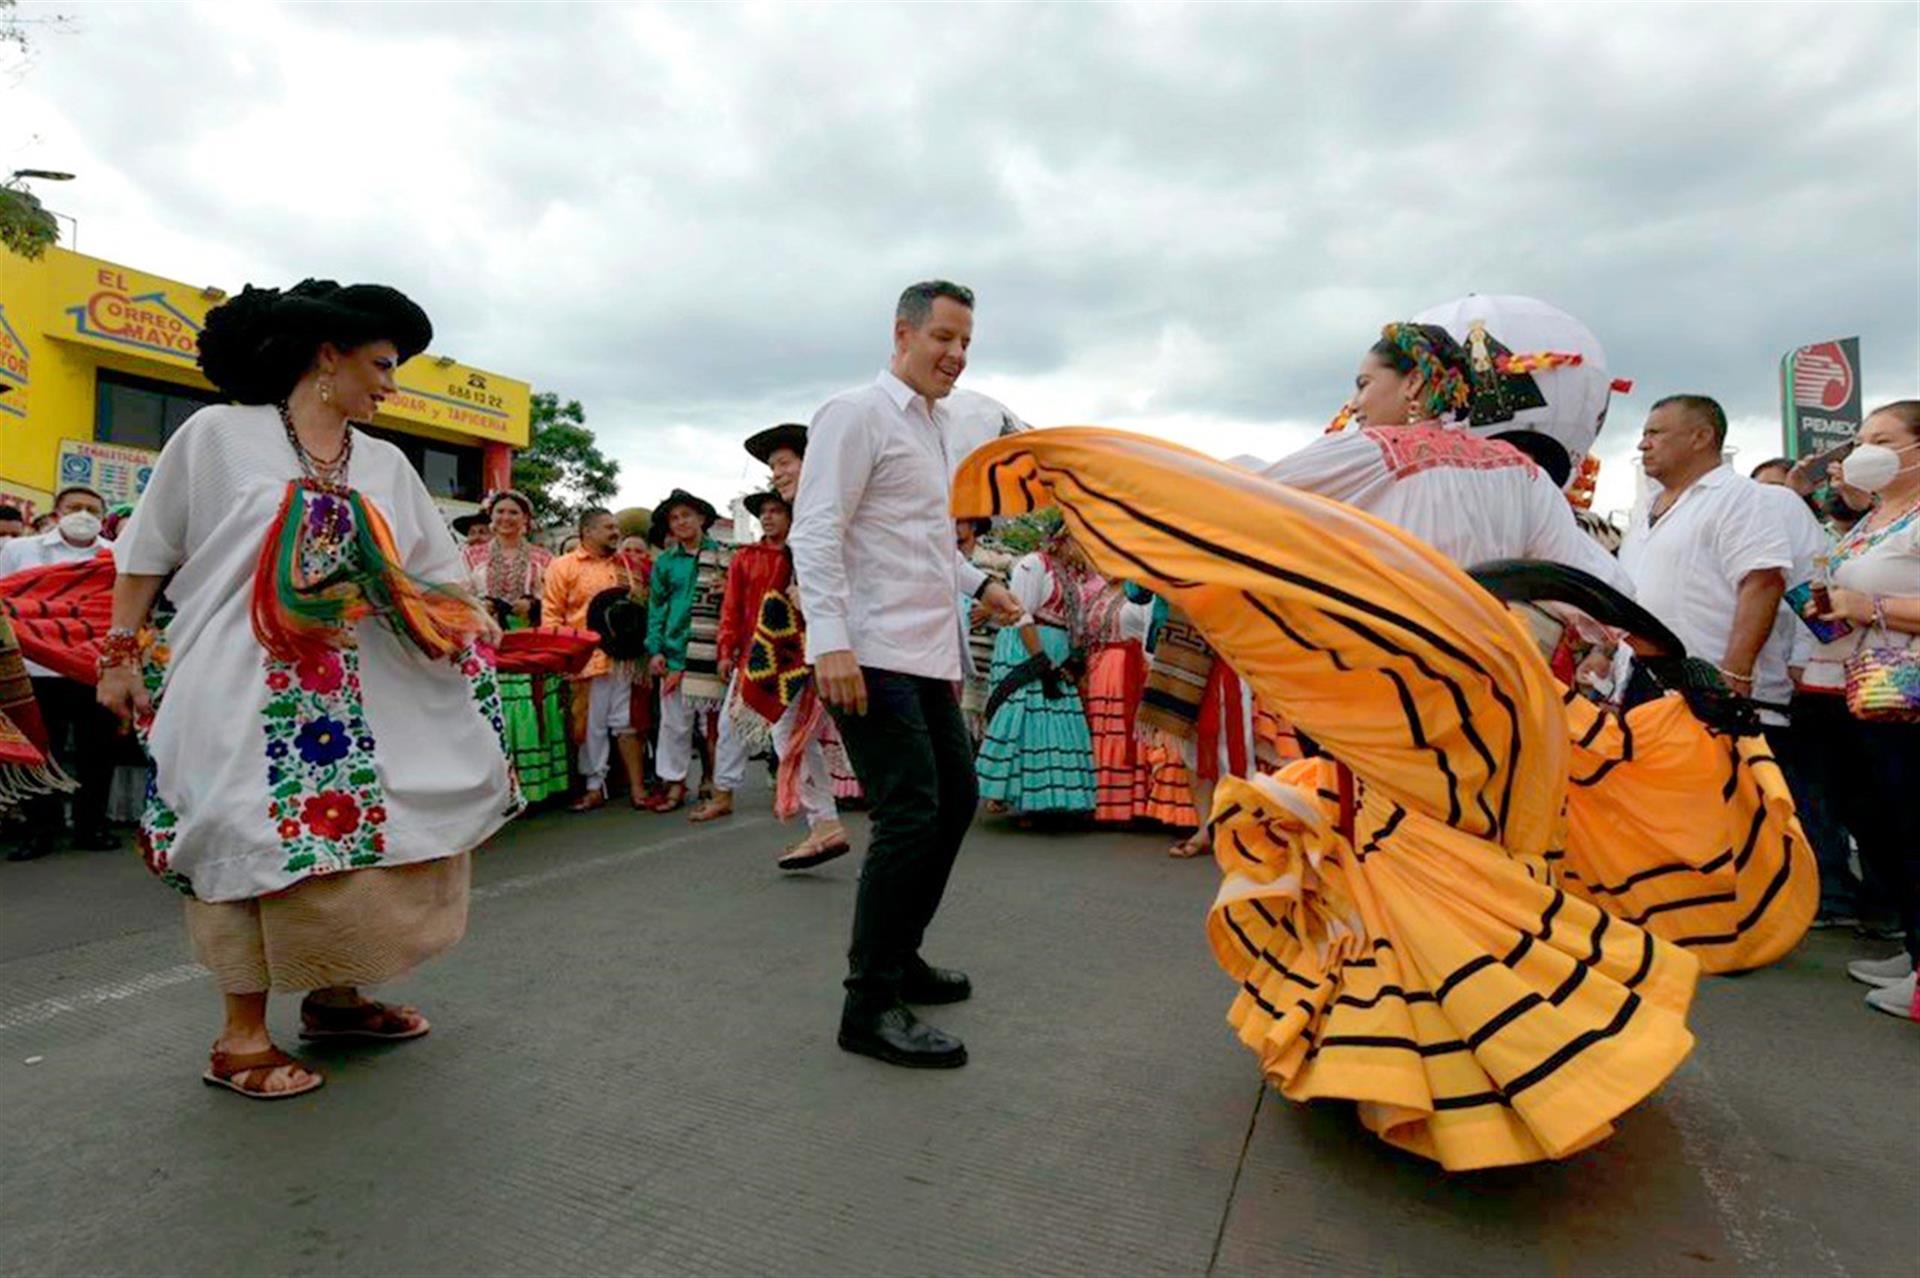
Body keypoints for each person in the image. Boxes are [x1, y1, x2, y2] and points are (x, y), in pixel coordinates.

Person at [953, 426, 1816, 1169]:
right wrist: (1681, 668)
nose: (1361, 398)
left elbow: (1252, 506)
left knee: (1387, 868)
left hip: (1394, 702)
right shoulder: (1523, 483)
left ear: (1411, 386)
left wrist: (1133, 499)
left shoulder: (1368, 454)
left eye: (1371, 378)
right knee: (1456, 877)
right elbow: (1593, 586)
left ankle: (1400, 1071)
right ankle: (1460, 1070)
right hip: (1483, 704)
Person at [96, 278, 516, 1100]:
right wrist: (118, 654)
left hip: (364, 697)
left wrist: (468, 617)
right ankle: (240, 1037)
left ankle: (335, 996)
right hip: (236, 683)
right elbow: (147, 551)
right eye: (383, 364)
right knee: (246, 834)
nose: (391, 385)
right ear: (328, 356)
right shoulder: (217, 436)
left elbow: (432, 571)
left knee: (365, 839)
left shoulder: (386, 463)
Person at [788, 279, 1023, 1069]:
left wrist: (982, 584)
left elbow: (927, 547)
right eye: (943, 339)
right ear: (903, 334)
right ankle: (868, 1002)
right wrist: (830, 641)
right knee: (910, 814)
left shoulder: (937, 430)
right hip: (868, 652)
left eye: (966, 344)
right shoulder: (854, 414)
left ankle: (904, 955)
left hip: (926, 654)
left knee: (955, 801)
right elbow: (817, 531)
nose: (955, 356)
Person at [1262, 323, 1633, 595]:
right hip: (1479, 677)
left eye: (1364, 384)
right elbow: (1602, 582)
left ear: (1414, 383)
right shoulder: (1523, 474)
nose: (1355, 404)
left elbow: (1250, 493)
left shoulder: (1374, 451)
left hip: (1379, 668)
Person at [1795, 401, 1920, 1020]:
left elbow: (1875, 600)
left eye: (1883, 439)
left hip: (1910, 691)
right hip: (1868, 688)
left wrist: (1868, 606)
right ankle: (1915, 953)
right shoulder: (1875, 518)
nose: (1863, 450)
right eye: (1861, 438)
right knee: (1884, 825)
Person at [1616, 395, 1791, 706]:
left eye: (1655, 433)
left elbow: (1763, 581)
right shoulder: (1644, 508)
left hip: (1713, 691)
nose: (1643, 445)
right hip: (1643, 684)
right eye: (1644, 435)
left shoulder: (1740, 496)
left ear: (1701, 437)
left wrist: (1736, 673)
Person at [0, 484, 117, 859]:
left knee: (97, 753)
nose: (83, 515)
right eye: (74, 507)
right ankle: (39, 831)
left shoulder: (117, 556)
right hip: (34, 671)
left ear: (102, 518)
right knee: (39, 750)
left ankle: (91, 827)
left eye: (92, 510)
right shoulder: (19, 551)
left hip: (94, 670)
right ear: (56, 513)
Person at [975, 530, 1100, 822]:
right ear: (1063, 539)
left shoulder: (1070, 577)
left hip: (1055, 650)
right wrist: (1040, 660)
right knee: (1025, 720)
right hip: (1027, 648)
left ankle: (1048, 799)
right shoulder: (1033, 564)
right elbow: (1021, 614)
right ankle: (1023, 798)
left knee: (1054, 724)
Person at [694, 489, 794, 824]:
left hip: (796, 656)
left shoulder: (804, 555)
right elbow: (731, 608)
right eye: (763, 511)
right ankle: (723, 794)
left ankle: (797, 794)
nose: (767, 517)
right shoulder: (745, 557)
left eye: (776, 510)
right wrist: (725, 651)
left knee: (793, 731)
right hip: (753, 654)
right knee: (731, 726)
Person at [467, 490, 568, 805]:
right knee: (490, 704)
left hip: (529, 638)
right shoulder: (470, 555)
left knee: (530, 704)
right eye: (500, 512)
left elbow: (554, 598)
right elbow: (458, 591)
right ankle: (493, 785)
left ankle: (534, 786)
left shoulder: (543, 558)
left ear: (526, 520)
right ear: (491, 517)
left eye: (513, 513)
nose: (505, 519)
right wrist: (480, 605)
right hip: (485, 636)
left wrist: (534, 604)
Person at [544, 507, 646, 811]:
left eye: (616, 527)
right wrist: (560, 658)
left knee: (626, 722)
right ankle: (593, 786)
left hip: (625, 659)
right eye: (608, 527)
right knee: (590, 726)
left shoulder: (627, 565)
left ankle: (637, 787)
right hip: (585, 659)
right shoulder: (563, 566)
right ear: (586, 531)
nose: (616, 532)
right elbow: (551, 615)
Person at [644, 488, 726, 814]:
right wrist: (655, 649)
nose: (681, 522)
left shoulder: (724, 556)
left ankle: (715, 781)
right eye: (674, 518)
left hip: (712, 651)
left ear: (702, 519)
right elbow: (657, 608)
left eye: (686, 515)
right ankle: (674, 784)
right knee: (674, 724)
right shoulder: (665, 563)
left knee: (713, 726)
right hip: (676, 651)